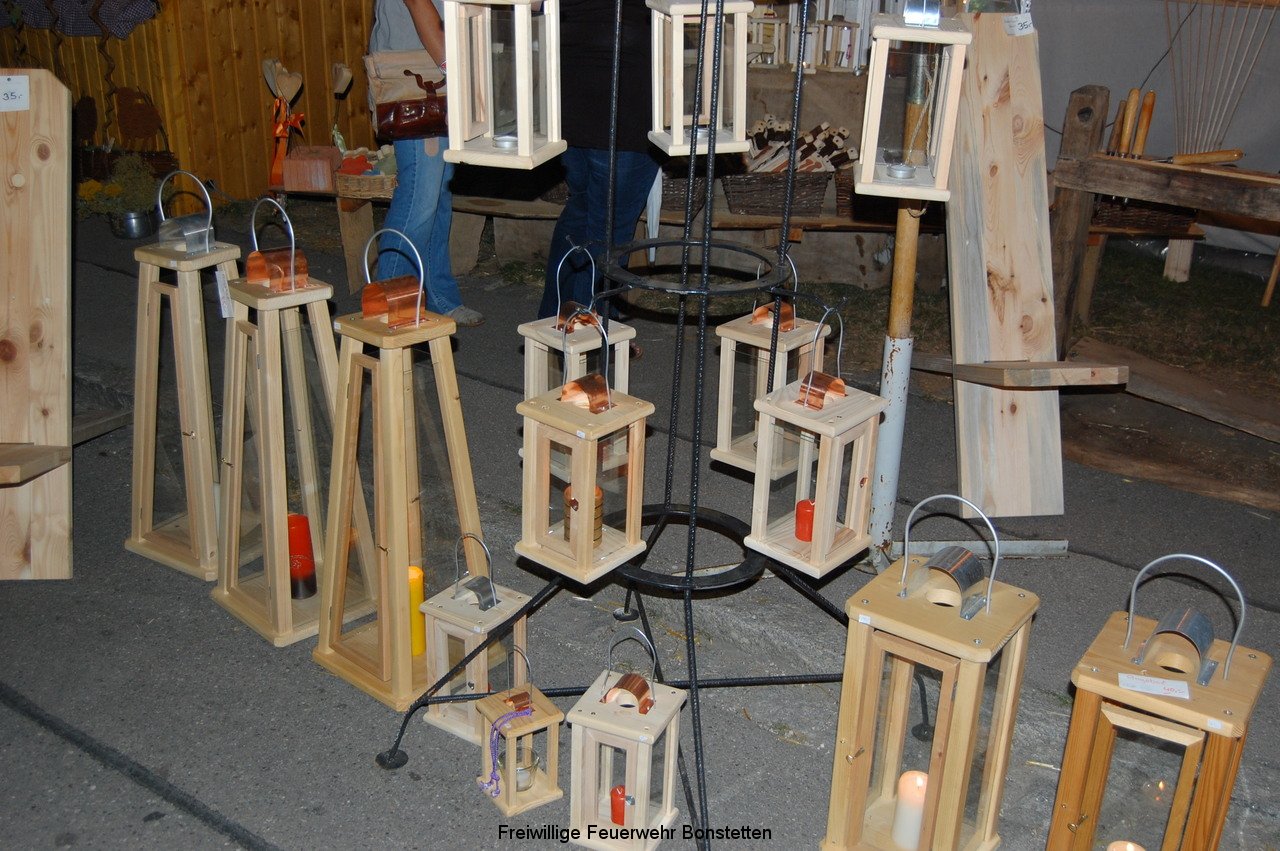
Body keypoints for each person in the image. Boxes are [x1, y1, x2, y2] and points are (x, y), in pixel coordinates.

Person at [537, 0, 662, 329]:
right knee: (610, 229)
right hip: (624, 99)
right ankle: (587, 334)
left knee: (582, 210)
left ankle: (554, 320)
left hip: (571, 97)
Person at [372, 0, 484, 326]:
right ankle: (388, 310)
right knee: (419, 200)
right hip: (418, 73)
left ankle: (438, 297)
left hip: (436, 69)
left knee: (437, 197)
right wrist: (459, 75)